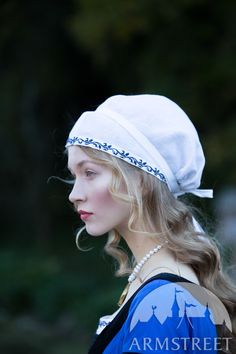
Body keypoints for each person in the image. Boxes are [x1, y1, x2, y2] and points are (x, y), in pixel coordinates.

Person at [65, 95, 235, 353]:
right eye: (74, 176)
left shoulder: (165, 301)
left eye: (89, 173)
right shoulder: (161, 281)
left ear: (142, 182)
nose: (74, 194)